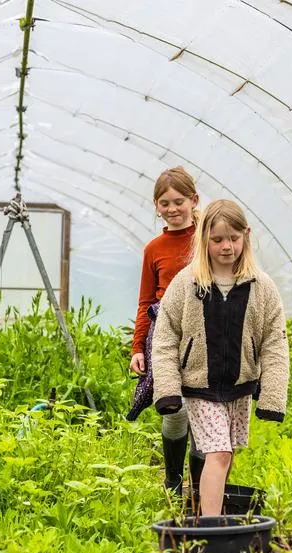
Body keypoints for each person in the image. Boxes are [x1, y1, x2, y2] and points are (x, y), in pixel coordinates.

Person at [150, 199, 289, 516]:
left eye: (234, 238)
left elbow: (274, 342)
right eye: (217, 240)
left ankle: (202, 512)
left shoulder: (261, 286)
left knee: (227, 453)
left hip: (239, 388)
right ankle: (210, 529)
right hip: (200, 386)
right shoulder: (187, 283)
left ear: (246, 236)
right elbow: (166, 335)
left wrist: (272, 395)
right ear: (204, 240)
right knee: (219, 453)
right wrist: (169, 388)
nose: (227, 247)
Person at [125, 167, 201, 495]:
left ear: (194, 200)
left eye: (178, 201)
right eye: (164, 203)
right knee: (175, 407)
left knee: (204, 407)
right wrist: (137, 347)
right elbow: (145, 301)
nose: (171, 209)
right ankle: (173, 481)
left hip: (205, 334)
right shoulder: (154, 249)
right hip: (166, 335)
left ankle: (201, 488)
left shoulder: (209, 238)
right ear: (156, 206)